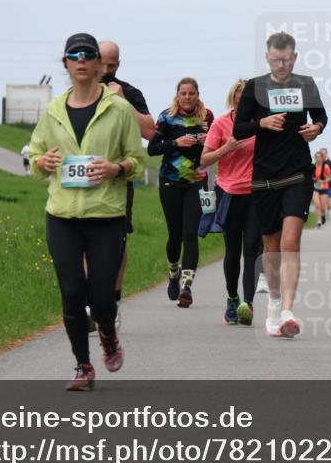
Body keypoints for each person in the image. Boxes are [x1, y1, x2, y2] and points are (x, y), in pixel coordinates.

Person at [28, 33, 145, 390]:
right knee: (71, 291)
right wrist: (42, 162)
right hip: (62, 214)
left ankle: (108, 333)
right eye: (73, 56)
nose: (81, 60)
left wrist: (115, 169)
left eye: (87, 55)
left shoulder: (119, 109)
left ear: (98, 64)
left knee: (101, 295)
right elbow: (34, 156)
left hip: (105, 215)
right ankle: (82, 365)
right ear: (65, 63)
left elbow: (138, 162)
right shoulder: (53, 111)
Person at [233, 31, 327, 338]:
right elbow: (239, 129)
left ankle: (288, 309)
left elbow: (321, 116)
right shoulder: (254, 88)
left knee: (290, 241)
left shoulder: (306, 85)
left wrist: (317, 128)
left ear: (295, 57)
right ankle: (273, 305)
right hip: (264, 177)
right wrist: (261, 123)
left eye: (287, 59)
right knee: (271, 246)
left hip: (298, 173)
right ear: (267, 57)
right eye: (276, 59)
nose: (282, 64)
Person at [99, 40, 155, 329]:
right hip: (84, 181)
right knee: (83, 243)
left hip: (119, 179)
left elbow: (151, 131)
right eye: (102, 64)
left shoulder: (129, 92)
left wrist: (122, 102)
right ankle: (90, 303)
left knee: (116, 243)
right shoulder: (77, 93)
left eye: (112, 66)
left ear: (118, 65)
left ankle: (114, 301)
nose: (106, 71)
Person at [148, 77, 214, 308]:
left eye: (191, 93)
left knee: (190, 234)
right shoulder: (166, 116)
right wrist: (176, 143)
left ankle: (187, 287)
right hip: (171, 181)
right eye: (183, 93)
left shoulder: (208, 117)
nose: (187, 97)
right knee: (175, 236)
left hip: (197, 182)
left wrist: (209, 143)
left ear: (198, 95)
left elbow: (216, 146)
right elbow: (152, 149)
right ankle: (173, 272)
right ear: (177, 96)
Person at [201, 78, 261, 325]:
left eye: (248, 95)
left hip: (256, 193)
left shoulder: (262, 124)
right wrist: (226, 148)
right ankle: (232, 298)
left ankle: (248, 304)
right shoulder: (221, 124)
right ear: (234, 98)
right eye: (240, 94)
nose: (243, 98)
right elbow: (204, 160)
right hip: (229, 192)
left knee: (252, 251)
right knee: (233, 251)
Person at [312, 150, 331, 228]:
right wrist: (314, 180)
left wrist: (323, 181)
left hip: (324, 187)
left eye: (319, 157)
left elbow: (329, 177)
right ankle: (318, 221)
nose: (318, 159)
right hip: (315, 188)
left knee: (323, 207)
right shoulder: (312, 167)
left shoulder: (326, 167)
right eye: (316, 157)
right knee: (317, 205)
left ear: (322, 158)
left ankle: (323, 214)